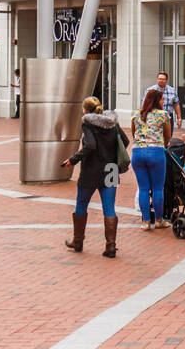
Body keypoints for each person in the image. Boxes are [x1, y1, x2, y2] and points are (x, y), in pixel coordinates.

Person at [61, 97, 126, 258]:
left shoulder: (88, 123)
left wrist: (73, 160)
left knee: (81, 204)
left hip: (91, 170)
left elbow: (90, 145)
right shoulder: (112, 122)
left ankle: (78, 241)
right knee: (109, 207)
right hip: (111, 169)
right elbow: (125, 140)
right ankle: (110, 246)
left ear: (86, 110)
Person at [131, 88, 172, 231]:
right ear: (157, 101)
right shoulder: (163, 115)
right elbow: (168, 134)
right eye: (162, 99)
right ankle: (159, 220)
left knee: (143, 188)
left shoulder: (137, 114)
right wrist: (165, 144)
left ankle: (146, 222)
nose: (163, 102)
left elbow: (133, 132)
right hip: (155, 151)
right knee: (157, 188)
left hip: (137, 152)